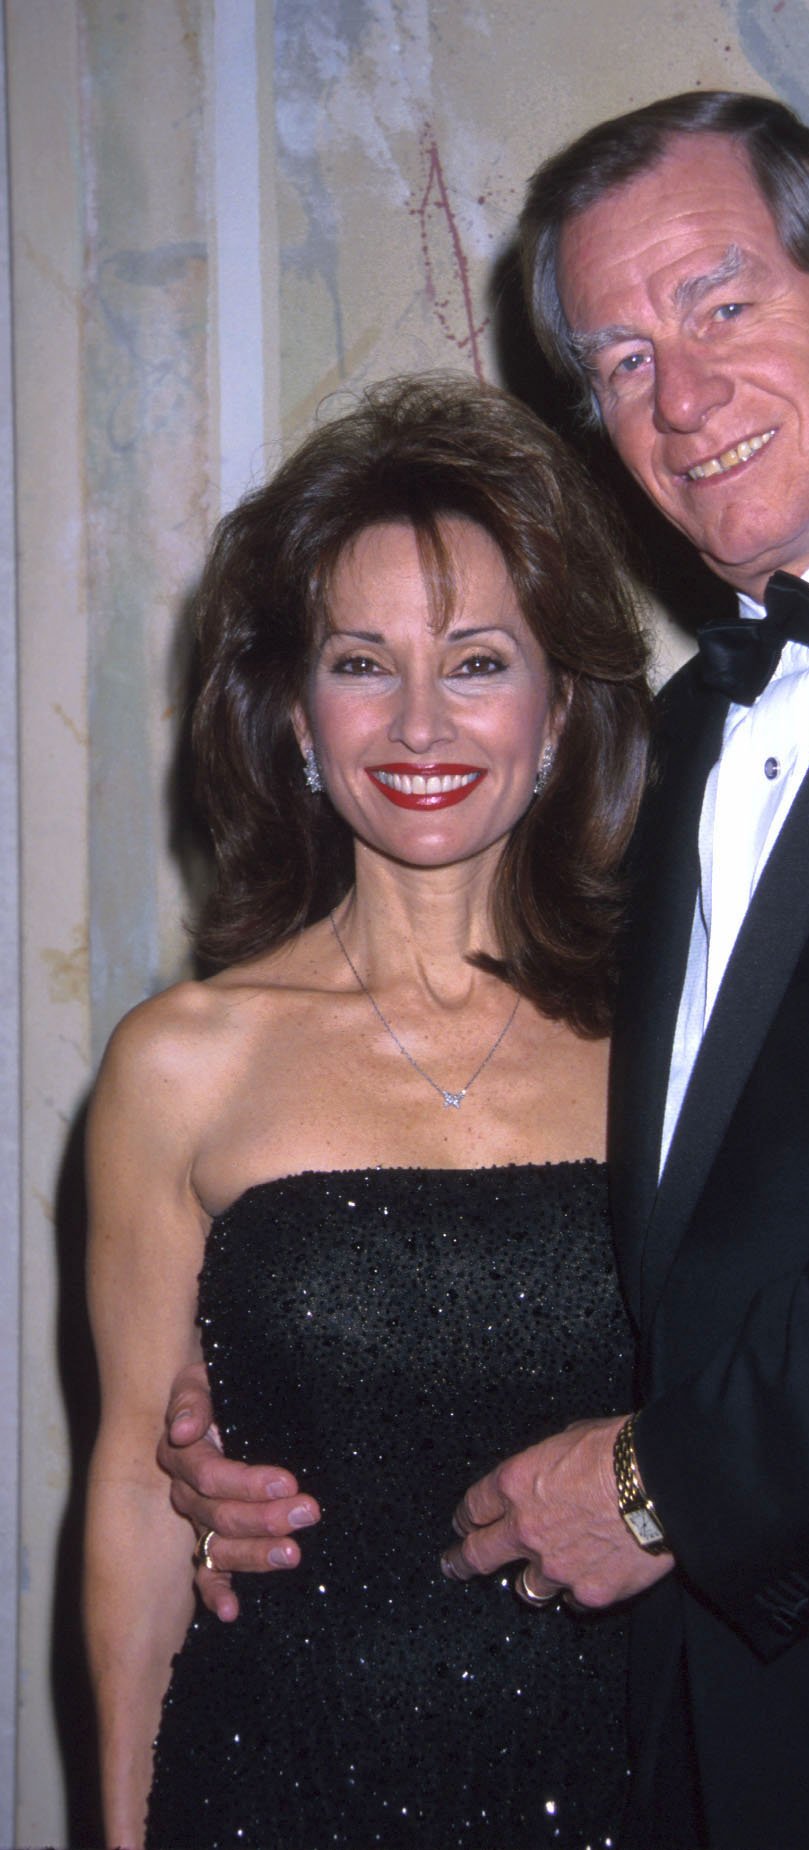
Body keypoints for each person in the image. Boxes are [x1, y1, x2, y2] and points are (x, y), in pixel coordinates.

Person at [161, 93, 809, 1850]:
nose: (677, 394)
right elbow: (601, 1209)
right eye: (622, 354)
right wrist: (258, 1400)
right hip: (687, 1734)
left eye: (721, 303)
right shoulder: (668, 745)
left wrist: (667, 1488)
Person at [83, 371, 651, 1850]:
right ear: (289, 706)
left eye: (475, 662)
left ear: (562, 703)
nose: (416, 720)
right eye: (360, 660)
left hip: (644, 1773)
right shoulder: (179, 1064)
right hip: (281, 1782)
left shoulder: (681, 1039)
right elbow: (143, 1504)